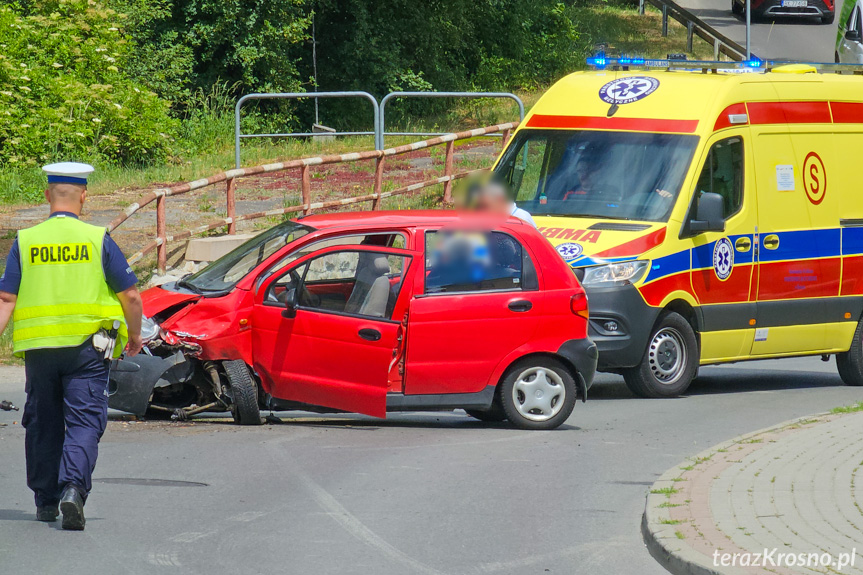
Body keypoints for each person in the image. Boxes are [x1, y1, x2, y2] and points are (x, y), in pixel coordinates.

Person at [0, 162, 143, 530]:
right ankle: (73, 491)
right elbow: (130, 293)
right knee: (83, 422)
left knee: (42, 423)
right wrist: (136, 335)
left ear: (47, 196)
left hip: (40, 350)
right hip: (87, 350)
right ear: (84, 196)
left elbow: (5, 300)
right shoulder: (97, 239)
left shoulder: (26, 240)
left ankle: (45, 502)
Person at [472, 180, 537, 228]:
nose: (482, 212)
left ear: (500, 200)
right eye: (479, 207)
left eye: (485, 206)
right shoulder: (493, 220)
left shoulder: (521, 218)